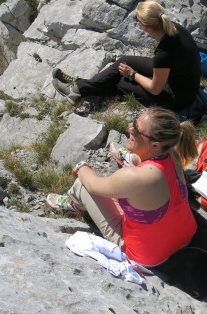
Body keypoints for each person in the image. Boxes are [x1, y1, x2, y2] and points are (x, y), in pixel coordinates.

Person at [46, 107, 198, 267]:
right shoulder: (172, 155)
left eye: (137, 130)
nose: (130, 129)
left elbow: (93, 186)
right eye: (134, 123)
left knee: (81, 185)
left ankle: (75, 205)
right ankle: (130, 156)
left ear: (155, 146)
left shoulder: (134, 177)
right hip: (185, 237)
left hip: (146, 256)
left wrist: (81, 166)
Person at [51, 0, 201, 112]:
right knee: (123, 62)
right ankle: (79, 88)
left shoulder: (163, 53)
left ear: (144, 25)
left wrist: (133, 74)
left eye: (137, 20)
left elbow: (155, 89)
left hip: (178, 98)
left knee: (122, 81)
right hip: (177, 78)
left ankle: (78, 90)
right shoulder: (174, 28)